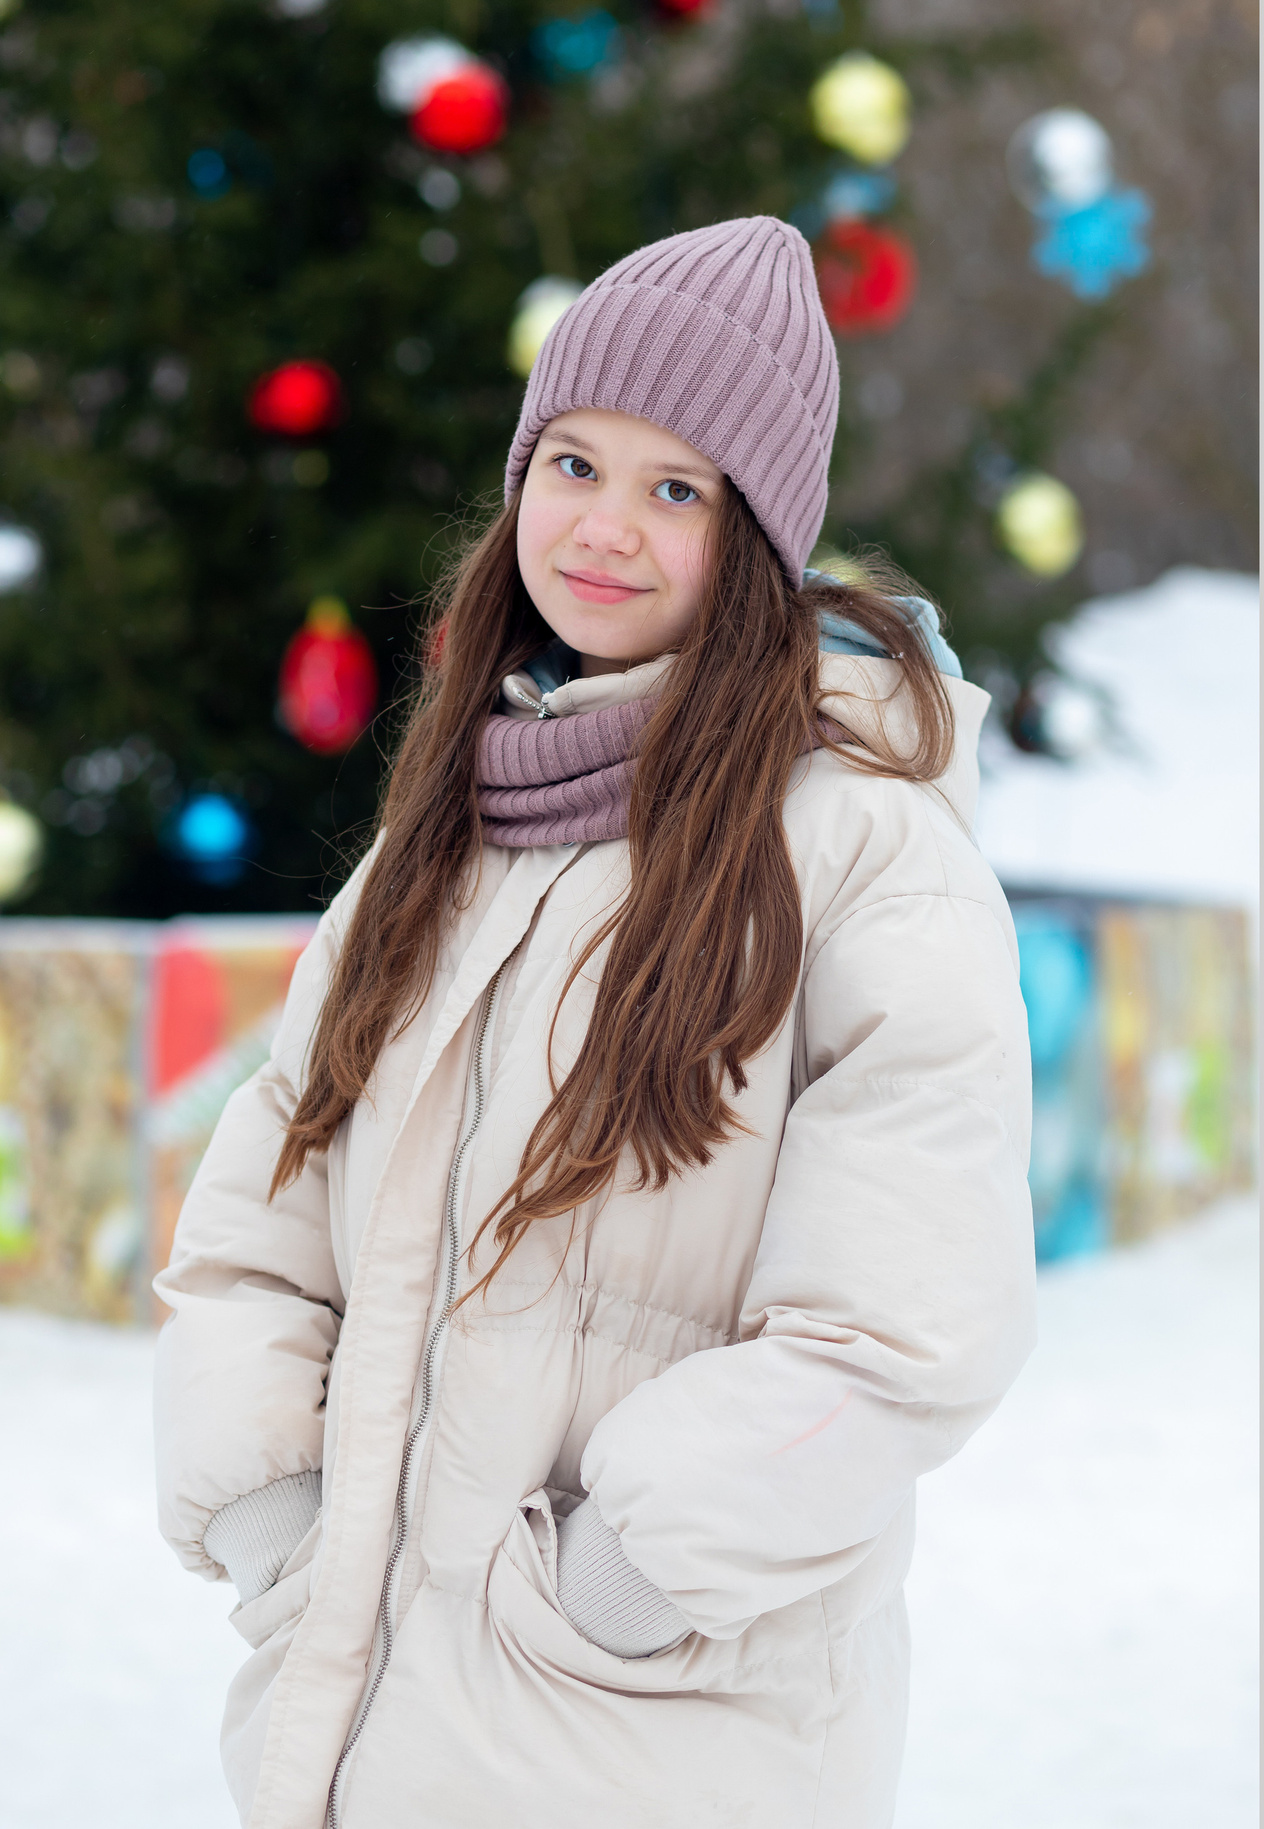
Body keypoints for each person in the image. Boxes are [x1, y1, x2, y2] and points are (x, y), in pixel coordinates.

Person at [151, 216, 1030, 1829]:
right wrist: (288, 1514)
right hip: (355, 1720)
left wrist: (619, 1574)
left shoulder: (860, 851)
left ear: (755, 534)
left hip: (653, 1734)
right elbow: (255, 1225)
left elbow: (905, 1322)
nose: (607, 525)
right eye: (574, 462)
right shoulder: (444, 836)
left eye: (676, 487)